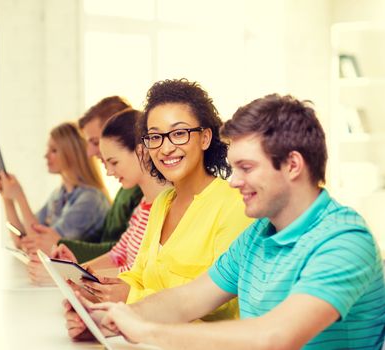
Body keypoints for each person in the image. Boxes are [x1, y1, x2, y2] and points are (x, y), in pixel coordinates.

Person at [67, 94, 385, 349]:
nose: (233, 181)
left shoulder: (344, 240)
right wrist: (110, 319)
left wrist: (146, 331)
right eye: (233, 168)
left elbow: (274, 337)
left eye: (246, 167)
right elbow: (188, 299)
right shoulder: (258, 235)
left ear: (292, 165)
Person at [67, 78, 251, 312]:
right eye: (155, 137)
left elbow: (218, 304)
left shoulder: (234, 204)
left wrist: (130, 297)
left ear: (205, 138)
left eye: (179, 133)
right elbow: (140, 275)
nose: (165, 148)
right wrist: (103, 291)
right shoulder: (162, 202)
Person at [51, 108, 167, 302]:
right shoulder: (142, 206)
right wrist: (79, 271)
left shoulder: (165, 208)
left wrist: (86, 278)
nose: (109, 172)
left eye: (114, 162)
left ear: (141, 152)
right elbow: (118, 255)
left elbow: (140, 273)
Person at [43, 96, 144, 263]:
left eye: (95, 142)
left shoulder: (141, 193)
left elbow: (128, 258)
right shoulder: (131, 192)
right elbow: (118, 251)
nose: (89, 152)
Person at [0, 122, 110, 254]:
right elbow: (22, 239)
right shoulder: (59, 194)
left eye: (54, 150)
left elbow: (40, 246)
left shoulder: (90, 200)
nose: (46, 155)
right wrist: (7, 198)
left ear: (71, 154)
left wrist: (20, 197)